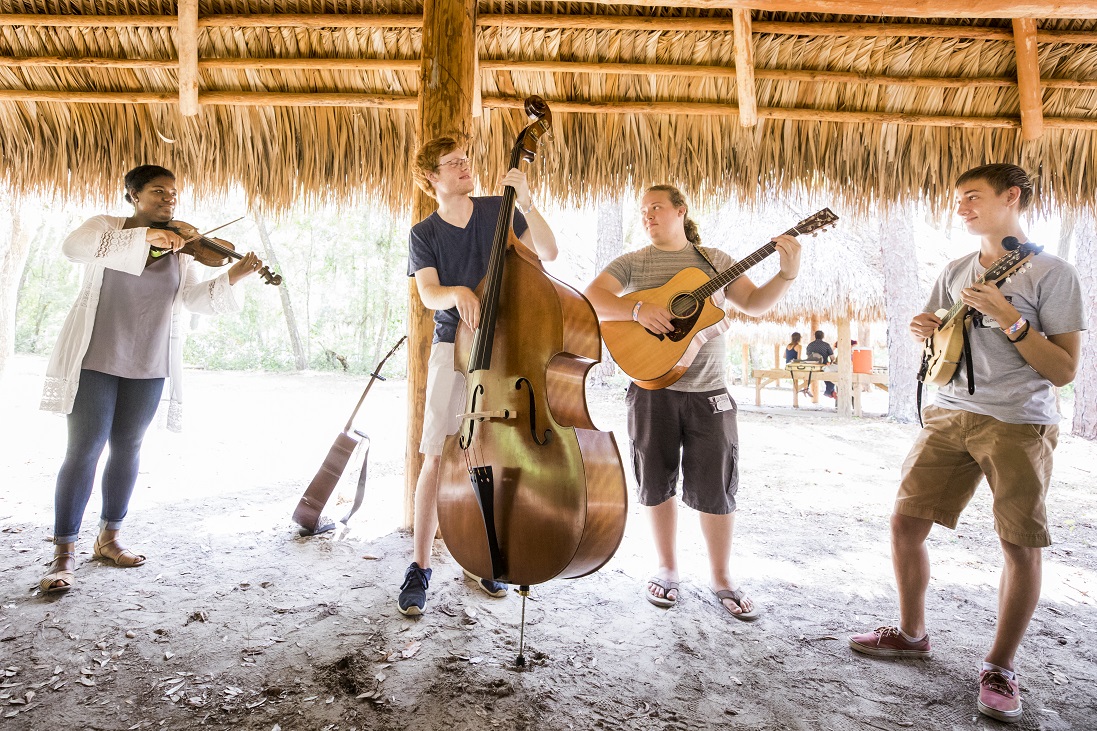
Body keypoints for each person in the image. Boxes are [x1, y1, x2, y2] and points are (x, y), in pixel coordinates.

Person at [849, 164, 1086, 724]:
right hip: (949, 413)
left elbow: (1064, 370)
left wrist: (1009, 317)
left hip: (1017, 422)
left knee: (1018, 543)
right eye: (958, 199)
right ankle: (911, 633)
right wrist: (925, 327)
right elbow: (940, 335)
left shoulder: (1052, 273)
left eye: (974, 197)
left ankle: (1000, 666)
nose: (962, 207)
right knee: (906, 522)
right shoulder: (956, 270)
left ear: (1012, 197)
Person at [38, 165, 265, 594]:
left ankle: (109, 538)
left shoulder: (184, 246)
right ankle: (63, 553)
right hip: (95, 357)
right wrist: (146, 236)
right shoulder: (108, 227)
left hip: (150, 361)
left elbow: (193, 300)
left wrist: (233, 275)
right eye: (158, 191)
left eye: (174, 193)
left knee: (128, 448)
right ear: (133, 196)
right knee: (84, 449)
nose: (169, 199)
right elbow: (74, 247)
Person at [584, 185, 800, 620]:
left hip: (710, 391)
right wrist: (638, 309)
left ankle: (721, 578)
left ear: (681, 211)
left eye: (657, 207)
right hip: (650, 388)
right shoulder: (633, 262)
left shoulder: (715, 261)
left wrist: (786, 274)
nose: (648, 216)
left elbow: (755, 304)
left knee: (716, 483)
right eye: (643, 210)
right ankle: (666, 569)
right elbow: (592, 297)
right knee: (655, 478)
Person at [401, 135, 558, 615]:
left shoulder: (499, 209)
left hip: (508, 348)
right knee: (436, 454)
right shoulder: (424, 232)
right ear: (432, 177)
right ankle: (420, 566)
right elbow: (429, 293)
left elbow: (547, 253)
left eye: (466, 160)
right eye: (452, 163)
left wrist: (528, 201)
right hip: (453, 348)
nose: (464, 166)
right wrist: (457, 293)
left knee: (492, 455)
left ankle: (483, 554)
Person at [804, 330, 836, 397]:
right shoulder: (826, 345)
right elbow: (832, 358)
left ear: (815, 336)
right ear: (823, 337)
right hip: (823, 366)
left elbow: (808, 357)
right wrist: (831, 362)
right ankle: (829, 391)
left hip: (811, 367)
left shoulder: (810, 345)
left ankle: (806, 387)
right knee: (831, 375)